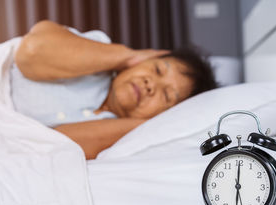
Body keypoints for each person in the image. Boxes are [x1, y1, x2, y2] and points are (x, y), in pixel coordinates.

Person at [13, 20, 217, 159]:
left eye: (166, 95)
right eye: (157, 69)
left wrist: (150, 125)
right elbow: (30, 52)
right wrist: (128, 57)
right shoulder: (98, 48)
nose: (150, 85)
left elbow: (54, 146)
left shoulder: (121, 140)